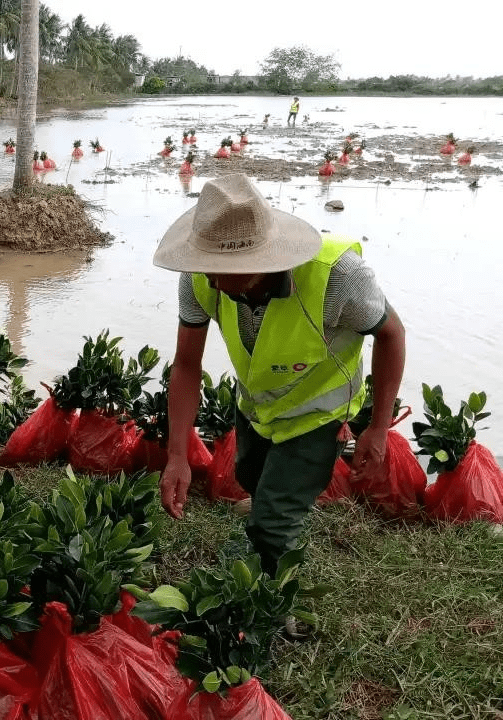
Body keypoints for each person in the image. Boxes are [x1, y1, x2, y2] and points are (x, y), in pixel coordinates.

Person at [152, 173, 405, 581]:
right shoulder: (199, 277)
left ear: (259, 262)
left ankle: (270, 607)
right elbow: (186, 365)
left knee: (274, 524)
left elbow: (392, 334)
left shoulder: (338, 276)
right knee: (252, 477)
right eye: (206, 265)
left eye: (220, 269)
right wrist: (177, 455)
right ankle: (267, 510)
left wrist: (378, 428)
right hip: (257, 405)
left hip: (317, 414)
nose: (210, 278)